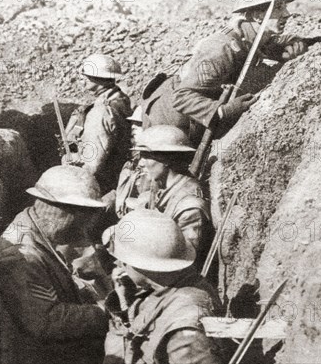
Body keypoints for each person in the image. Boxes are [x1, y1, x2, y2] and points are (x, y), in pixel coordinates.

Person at [144, 0, 308, 144]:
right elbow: (181, 98)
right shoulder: (221, 49)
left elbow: (273, 44)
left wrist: (295, 45)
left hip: (194, 117)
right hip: (168, 122)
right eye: (279, 7)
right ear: (258, 15)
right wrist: (224, 111)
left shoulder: (254, 36)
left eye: (285, 7)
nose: (287, 14)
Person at [0, 165, 109, 364]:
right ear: (56, 209)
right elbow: (45, 321)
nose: (87, 224)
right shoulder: (19, 258)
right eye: (82, 215)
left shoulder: (42, 227)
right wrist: (104, 312)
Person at [103, 209, 224, 364]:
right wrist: (123, 300)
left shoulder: (186, 324)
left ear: (141, 266)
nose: (119, 265)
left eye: (123, 261)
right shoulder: (167, 288)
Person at [133, 125, 213, 272]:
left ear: (166, 159)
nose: (140, 163)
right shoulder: (159, 188)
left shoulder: (189, 206)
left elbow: (184, 261)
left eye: (146, 156)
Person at [63, 54, 133, 194]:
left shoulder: (99, 113)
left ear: (97, 77)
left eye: (86, 75)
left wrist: (71, 159)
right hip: (117, 174)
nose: (83, 79)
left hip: (100, 185)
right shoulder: (120, 99)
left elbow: (91, 166)